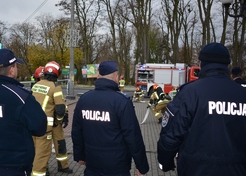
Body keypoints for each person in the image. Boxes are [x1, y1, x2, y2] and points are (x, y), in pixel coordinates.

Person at [157, 42, 246, 176]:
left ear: (202, 64)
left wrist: (165, 162)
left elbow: (171, 136)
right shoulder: (242, 94)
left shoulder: (190, 93)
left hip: (196, 169)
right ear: (227, 65)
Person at [0, 48, 47, 176]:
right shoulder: (21, 96)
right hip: (15, 165)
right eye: (16, 66)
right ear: (12, 69)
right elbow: (40, 127)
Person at [72, 60, 149, 176]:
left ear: (98, 76)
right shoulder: (122, 101)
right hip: (117, 166)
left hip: (92, 162)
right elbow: (133, 137)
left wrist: (79, 155)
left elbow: (76, 131)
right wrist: (141, 166)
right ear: (116, 78)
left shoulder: (84, 99)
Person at [31, 61, 73, 176]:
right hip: (50, 124)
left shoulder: (36, 86)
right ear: (57, 74)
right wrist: (60, 120)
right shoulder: (55, 87)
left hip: (35, 124)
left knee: (38, 149)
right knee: (44, 151)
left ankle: (52, 167)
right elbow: (60, 108)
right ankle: (42, 170)